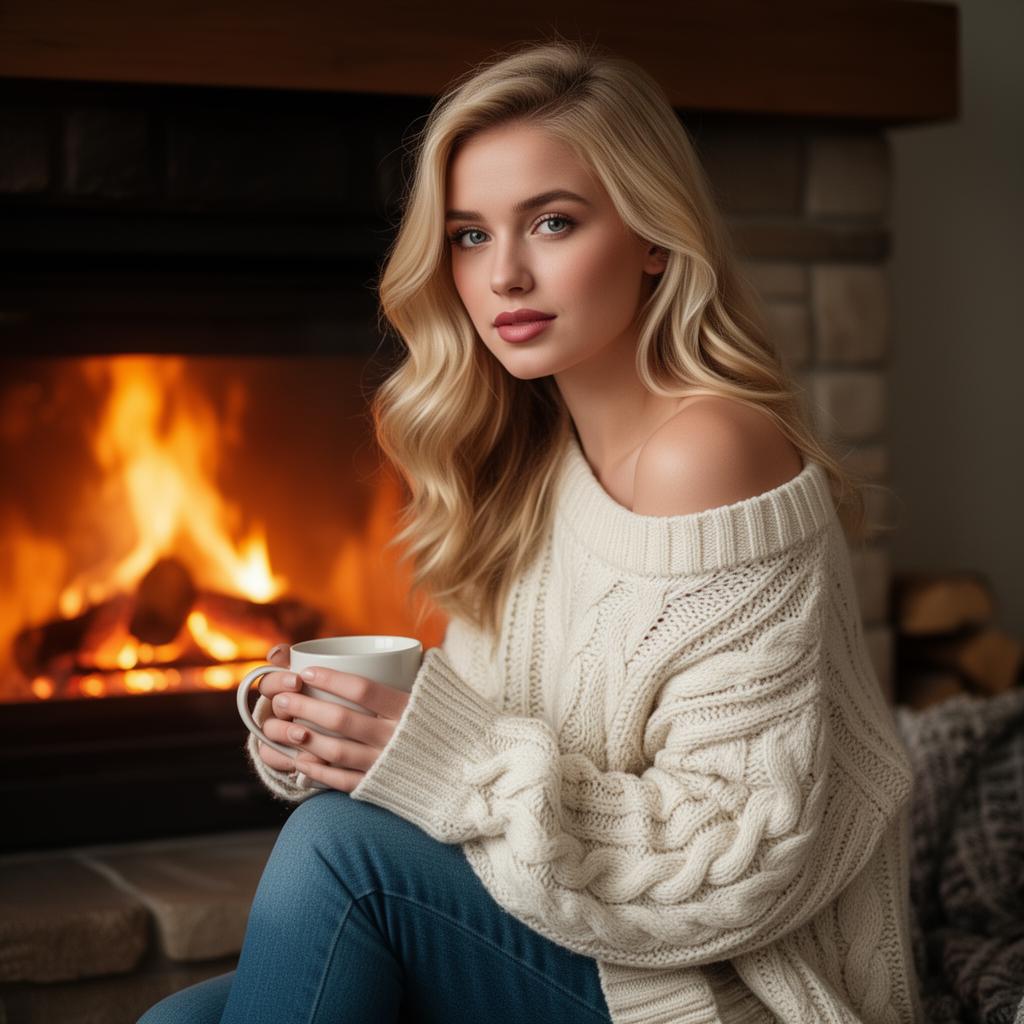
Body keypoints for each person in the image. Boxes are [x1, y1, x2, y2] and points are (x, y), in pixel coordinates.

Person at [139, 37, 923, 1024]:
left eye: (551, 223)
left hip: (716, 989)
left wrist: (434, 756)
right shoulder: (534, 457)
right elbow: (486, 742)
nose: (504, 274)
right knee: (176, 1021)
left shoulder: (711, 448)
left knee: (336, 848)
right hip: (564, 930)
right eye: (469, 235)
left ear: (651, 234)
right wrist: (336, 734)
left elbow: (729, 860)